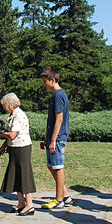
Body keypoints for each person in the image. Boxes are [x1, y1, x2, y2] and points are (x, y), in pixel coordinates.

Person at [0, 93, 36, 216]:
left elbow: (12, 134)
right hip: (14, 147)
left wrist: (1, 132)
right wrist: (4, 146)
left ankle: (29, 204)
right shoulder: (12, 115)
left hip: (22, 148)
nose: (3, 108)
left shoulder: (19, 115)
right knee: (16, 174)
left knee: (24, 174)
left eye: (4, 105)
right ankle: (21, 202)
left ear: (10, 104)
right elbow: (11, 135)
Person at [40, 67, 73, 209]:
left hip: (58, 138)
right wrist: (47, 137)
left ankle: (59, 199)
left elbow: (59, 119)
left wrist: (53, 139)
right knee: (51, 165)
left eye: (45, 81)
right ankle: (65, 195)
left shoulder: (59, 95)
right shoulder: (55, 95)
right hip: (53, 137)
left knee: (58, 167)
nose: (44, 84)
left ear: (52, 80)